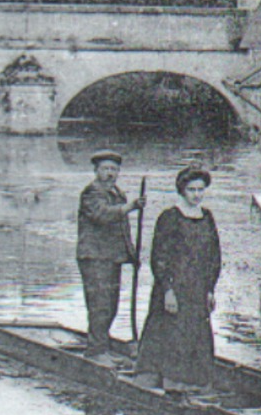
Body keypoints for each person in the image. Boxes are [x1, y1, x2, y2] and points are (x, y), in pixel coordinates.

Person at [132, 166, 222, 393]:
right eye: (192, 189)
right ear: (182, 190)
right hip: (173, 287)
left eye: (201, 189)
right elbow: (159, 256)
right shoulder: (170, 217)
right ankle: (164, 380)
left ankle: (194, 382)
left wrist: (210, 288)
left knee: (195, 333)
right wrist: (167, 290)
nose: (197, 194)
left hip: (198, 288)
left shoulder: (207, 217)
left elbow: (214, 256)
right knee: (169, 331)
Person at [75, 149, 144, 363]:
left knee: (111, 305)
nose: (110, 173)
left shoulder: (117, 194)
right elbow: (102, 215)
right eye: (105, 169)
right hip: (94, 257)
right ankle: (96, 351)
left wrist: (131, 254)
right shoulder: (91, 192)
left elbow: (122, 228)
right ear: (96, 171)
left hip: (112, 258)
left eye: (114, 169)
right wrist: (130, 207)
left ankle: (101, 344)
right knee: (100, 304)